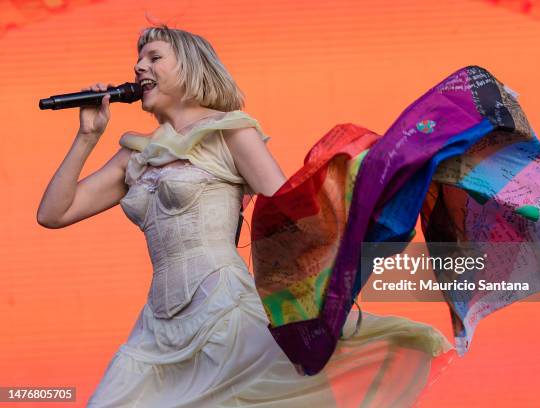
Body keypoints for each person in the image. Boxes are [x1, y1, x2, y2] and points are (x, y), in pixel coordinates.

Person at [37, 25, 454, 407]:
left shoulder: (231, 131)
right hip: (155, 329)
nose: (140, 67)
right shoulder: (135, 152)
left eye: (155, 58)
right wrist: (87, 136)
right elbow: (54, 213)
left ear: (191, 67)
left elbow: (288, 211)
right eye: (138, 62)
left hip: (225, 311)